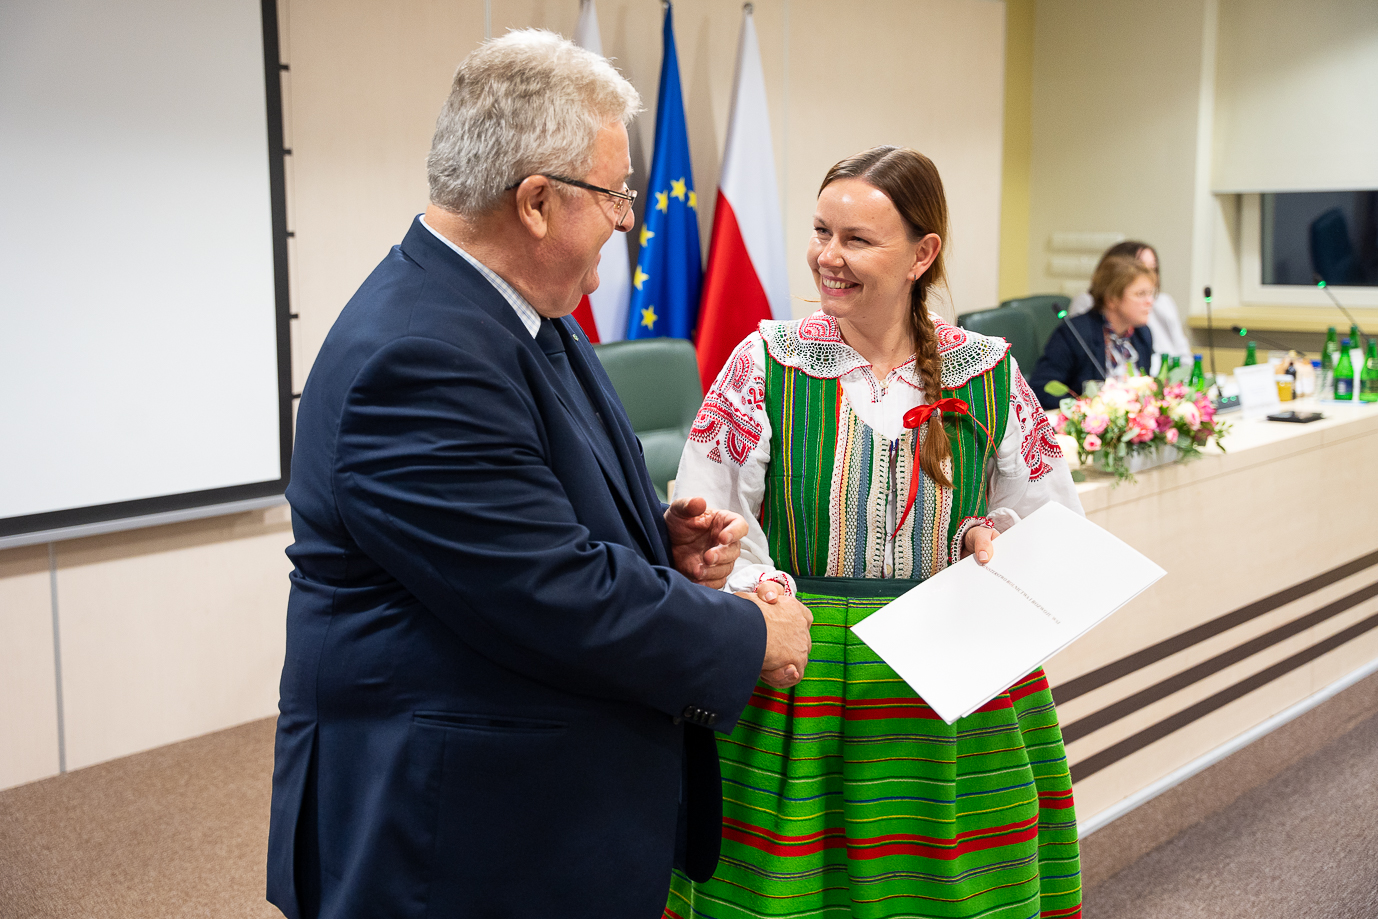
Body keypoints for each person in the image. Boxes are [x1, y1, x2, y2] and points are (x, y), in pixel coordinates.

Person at [266, 30, 814, 919]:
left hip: (520, 807)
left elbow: (528, 525)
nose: (629, 220)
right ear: (534, 202)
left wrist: (656, 544)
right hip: (447, 840)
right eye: (614, 195)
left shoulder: (514, 314)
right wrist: (749, 638)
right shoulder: (418, 356)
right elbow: (550, 590)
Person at [666, 146, 1084, 919]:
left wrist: (990, 540)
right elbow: (707, 514)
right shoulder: (765, 363)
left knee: (947, 894)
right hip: (801, 674)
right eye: (822, 232)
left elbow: (1055, 519)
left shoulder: (986, 371)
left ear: (922, 254)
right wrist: (763, 594)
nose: (828, 256)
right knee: (790, 894)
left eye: (856, 240)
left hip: (952, 683)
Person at [1030, 254, 1157, 408]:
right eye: (1140, 294)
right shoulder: (1075, 334)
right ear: (1111, 298)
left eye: (1150, 293)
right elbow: (1040, 389)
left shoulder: (1142, 334)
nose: (1149, 301)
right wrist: (1084, 409)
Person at [1067, 240, 1191, 362]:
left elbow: (1184, 355)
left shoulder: (1162, 304)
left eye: (1153, 269)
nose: (1149, 276)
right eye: (1142, 268)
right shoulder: (1087, 303)